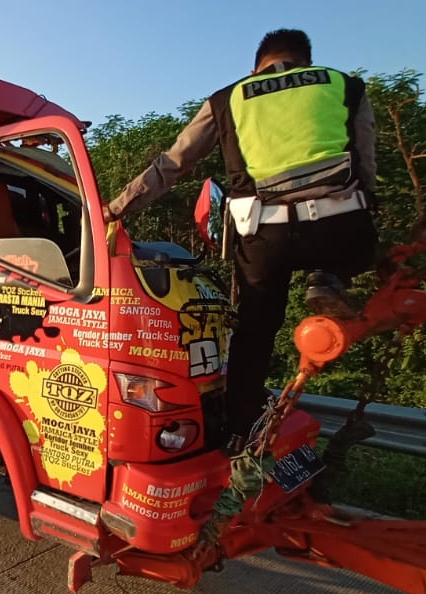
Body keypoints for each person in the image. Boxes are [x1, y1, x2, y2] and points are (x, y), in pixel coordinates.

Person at [104, 29, 379, 443]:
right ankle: (328, 275)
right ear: (307, 60)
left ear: (256, 67)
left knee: (255, 333)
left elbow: (173, 164)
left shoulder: (230, 97)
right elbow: (366, 159)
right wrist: (366, 207)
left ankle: (238, 432)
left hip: (264, 236)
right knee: (365, 242)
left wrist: (114, 209)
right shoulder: (344, 85)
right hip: (339, 228)